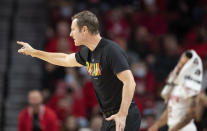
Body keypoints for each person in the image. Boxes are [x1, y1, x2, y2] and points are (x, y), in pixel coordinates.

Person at [17, 10, 141, 131]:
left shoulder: (111, 50)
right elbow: (64, 58)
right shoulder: (87, 52)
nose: (71, 34)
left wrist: (122, 115)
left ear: (84, 30)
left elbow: (130, 82)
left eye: (73, 29)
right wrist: (34, 52)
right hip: (108, 117)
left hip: (124, 115)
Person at [148, 50, 203, 131]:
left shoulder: (192, 87)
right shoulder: (176, 85)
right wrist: (154, 127)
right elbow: (170, 110)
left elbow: (190, 114)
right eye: (181, 62)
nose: (180, 65)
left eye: (184, 64)